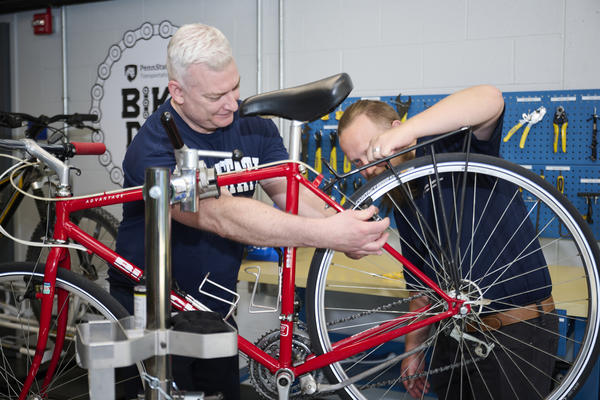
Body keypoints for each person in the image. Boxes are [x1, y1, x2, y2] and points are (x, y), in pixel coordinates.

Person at [110, 23, 389, 399]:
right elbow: (215, 215)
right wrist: (327, 234)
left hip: (214, 309)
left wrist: (342, 228)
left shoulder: (252, 127)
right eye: (215, 96)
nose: (231, 103)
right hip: (149, 308)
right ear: (177, 92)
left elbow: (288, 194)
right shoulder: (154, 146)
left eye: (235, 87)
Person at [337, 85, 558, 399]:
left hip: (514, 333)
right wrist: (412, 351)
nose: (368, 167)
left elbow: (490, 99)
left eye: (372, 150)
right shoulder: (403, 194)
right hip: (452, 338)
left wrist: (409, 131)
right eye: (357, 162)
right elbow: (421, 288)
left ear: (395, 132)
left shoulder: (450, 147)